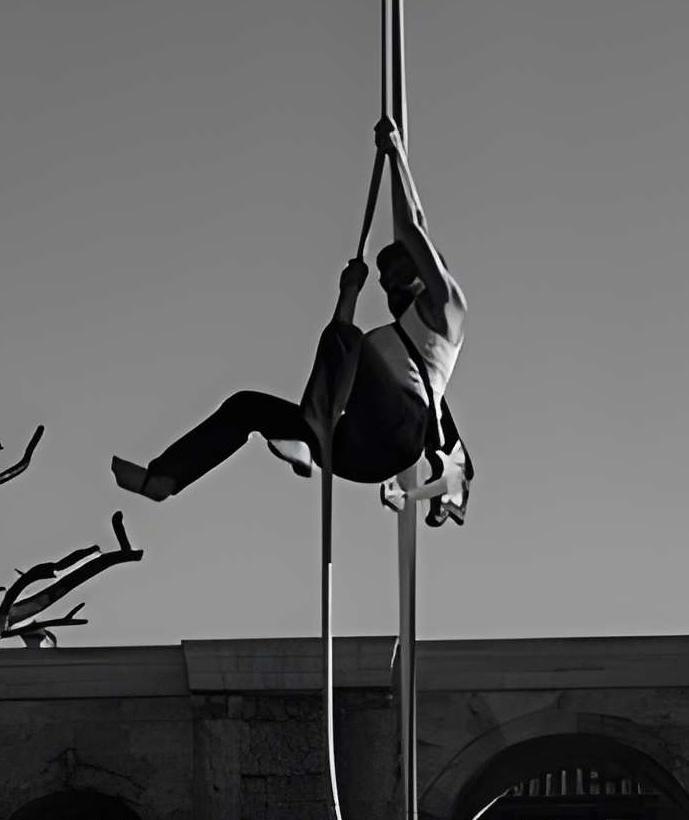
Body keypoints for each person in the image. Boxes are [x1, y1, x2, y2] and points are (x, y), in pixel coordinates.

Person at [112, 122, 471, 527]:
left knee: (350, 343)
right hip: (354, 450)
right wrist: (349, 291)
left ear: (425, 272)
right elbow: (336, 346)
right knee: (247, 405)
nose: (389, 290)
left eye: (398, 279)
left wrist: (395, 155)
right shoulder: (382, 339)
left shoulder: (448, 307)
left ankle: (306, 436)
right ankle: (164, 478)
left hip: (400, 431)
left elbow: (413, 226)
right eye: (385, 284)